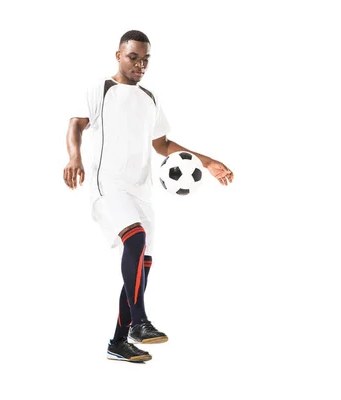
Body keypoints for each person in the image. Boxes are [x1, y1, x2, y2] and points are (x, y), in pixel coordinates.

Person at [63, 30, 234, 362]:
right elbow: (75, 124)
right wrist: (74, 157)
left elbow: (163, 145)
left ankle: (118, 343)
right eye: (133, 58)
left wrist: (207, 161)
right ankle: (139, 322)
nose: (140, 64)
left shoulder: (150, 99)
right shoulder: (101, 89)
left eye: (145, 59)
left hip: (142, 191)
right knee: (135, 239)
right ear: (118, 55)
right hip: (108, 185)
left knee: (141, 266)